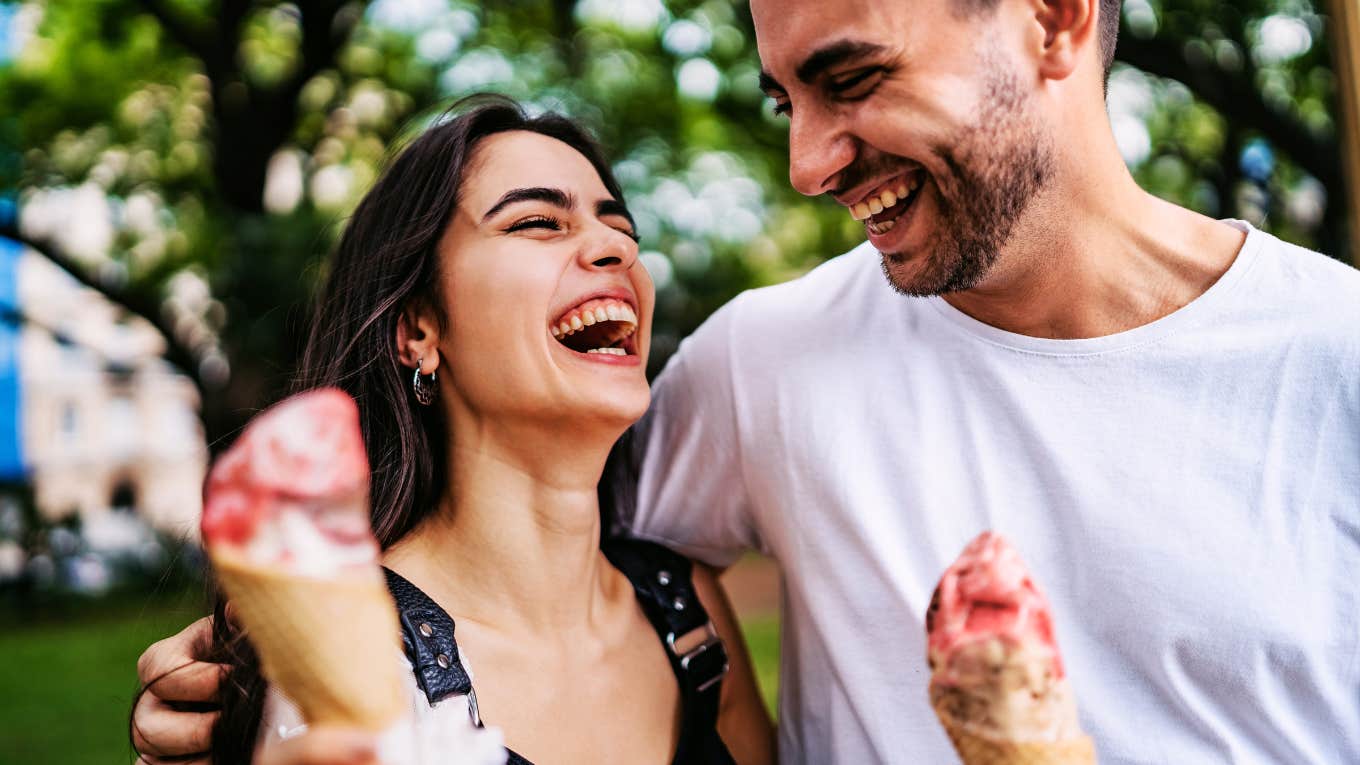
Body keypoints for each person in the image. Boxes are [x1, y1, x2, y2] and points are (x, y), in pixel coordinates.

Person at [135, 0, 1360, 762]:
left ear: (1051, 17)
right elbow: (516, 526)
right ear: (418, 329)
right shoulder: (765, 364)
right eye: (782, 99)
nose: (806, 162)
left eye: (852, 77)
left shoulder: (1335, 359)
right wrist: (243, 680)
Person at [131, 98, 774, 765]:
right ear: (418, 331)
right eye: (537, 221)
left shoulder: (687, 610)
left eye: (620, 226)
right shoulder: (343, 670)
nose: (618, 247)